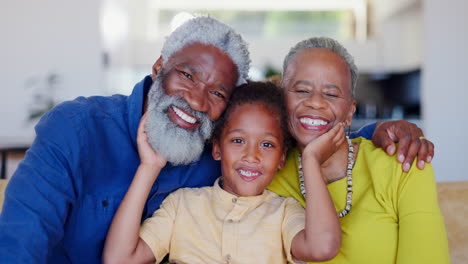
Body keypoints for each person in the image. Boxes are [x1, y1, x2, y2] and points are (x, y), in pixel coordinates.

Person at [0, 16, 432, 263]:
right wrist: (149, 168)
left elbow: (302, 129)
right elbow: (21, 240)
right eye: (187, 75)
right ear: (159, 66)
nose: (196, 99)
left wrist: (378, 131)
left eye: (218, 92)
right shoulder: (76, 129)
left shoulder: (236, 171)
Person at [103, 82, 345, 264]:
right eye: (238, 140)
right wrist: (150, 166)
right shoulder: (182, 205)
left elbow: (322, 247)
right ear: (217, 148)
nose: (252, 156)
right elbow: (119, 259)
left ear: (282, 157)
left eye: (267, 144)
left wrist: (310, 160)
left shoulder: (284, 213)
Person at [268, 37, 450, 263]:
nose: (315, 102)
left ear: (350, 112)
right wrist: (311, 161)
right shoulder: (267, 177)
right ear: (282, 99)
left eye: (331, 94)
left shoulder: (403, 165)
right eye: (302, 90)